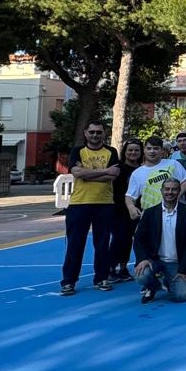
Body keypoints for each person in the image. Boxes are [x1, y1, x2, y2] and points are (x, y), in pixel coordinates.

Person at [60, 121, 120, 296]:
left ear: (104, 133)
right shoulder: (77, 151)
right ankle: (69, 281)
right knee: (75, 244)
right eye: (92, 132)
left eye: (98, 132)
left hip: (104, 203)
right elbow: (77, 173)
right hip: (79, 203)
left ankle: (102, 278)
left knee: (102, 244)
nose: (95, 135)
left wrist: (88, 174)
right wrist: (104, 171)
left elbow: (113, 175)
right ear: (86, 133)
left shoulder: (111, 152)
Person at [134, 179, 186, 304]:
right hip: (154, 260)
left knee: (180, 296)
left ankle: (167, 280)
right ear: (161, 191)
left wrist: (184, 270)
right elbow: (138, 239)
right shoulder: (150, 213)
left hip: (176, 262)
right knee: (141, 276)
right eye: (167, 189)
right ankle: (152, 286)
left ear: (179, 191)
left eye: (174, 189)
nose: (170, 192)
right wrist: (143, 259)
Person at [125, 136, 186, 221]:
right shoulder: (137, 173)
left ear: (162, 150)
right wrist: (131, 208)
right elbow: (130, 196)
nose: (152, 151)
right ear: (144, 150)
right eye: (149, 148)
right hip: (151, 217)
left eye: (156, 148)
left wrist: (178, 195)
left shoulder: (173, 164)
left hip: (177, 212)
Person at [109, 138, 143, 283]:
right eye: (130, 150)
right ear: (125, 152)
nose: (133, 153)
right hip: (118, 209)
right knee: (119, 238)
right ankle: (110, 267)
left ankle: (123, 268)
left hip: (137, 209)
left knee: (129, 239)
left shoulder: (143, 169)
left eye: (136, 150)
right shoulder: (118, 168)